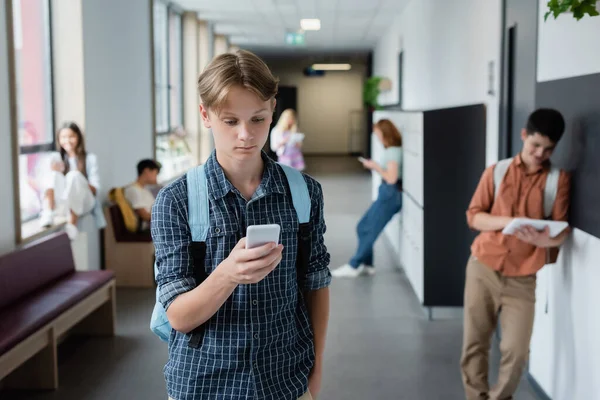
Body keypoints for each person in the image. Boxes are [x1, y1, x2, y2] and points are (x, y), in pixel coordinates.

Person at [151, 49, 331, 400]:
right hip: (202, 384)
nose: (246, 135)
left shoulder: (304, 192)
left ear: (273, 110)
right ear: (205, 115)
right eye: (230, 121)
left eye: (258, 119)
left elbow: (316, 282)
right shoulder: (176, 201)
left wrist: (317, 368)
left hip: (286, 379)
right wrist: (228, 274)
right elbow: (179, 318)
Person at [461, 108, 571, 400]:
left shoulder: (557, 180)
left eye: (548, 149)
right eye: (535, 145)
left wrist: (541, 239)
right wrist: (507, 223)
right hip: (483, 266)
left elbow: (560, 231)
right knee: (475, 343)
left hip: (523, 276)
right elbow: (473, 216)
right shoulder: (496, 171)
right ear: (524, 136)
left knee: (517, 350)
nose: (540, 154)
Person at [331, 119, 403, 278]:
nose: (377, 138)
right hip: (386, 193)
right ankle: (367, 264)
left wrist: (375, 167)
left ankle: (354, 265)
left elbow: (391, 178)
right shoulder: (391, 150)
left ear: (386, 133)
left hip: (390, 194)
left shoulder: (393, 152)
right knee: (362, 226)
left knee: (369, 229)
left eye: (379, 134)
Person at [40, 122, 103, 239]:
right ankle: (47, 212)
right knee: (53, 174)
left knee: (74, 176)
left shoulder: (89, 158)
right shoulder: (56, 158)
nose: (67, 140)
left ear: (78, 137)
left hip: (85, 202)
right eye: (63, 137)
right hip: (64, 201)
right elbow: (48, 183)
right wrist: (58, 172)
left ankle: (72, 224)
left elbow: (95, 190)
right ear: (59, 139)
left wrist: (78, 182)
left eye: (71, 136)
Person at [124, 159, 161, 231]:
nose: (156, 177)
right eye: (155, 174)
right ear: (146, 171)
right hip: (146, 229)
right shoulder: (133, 190)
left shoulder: (144, 190)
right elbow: (145, 216)